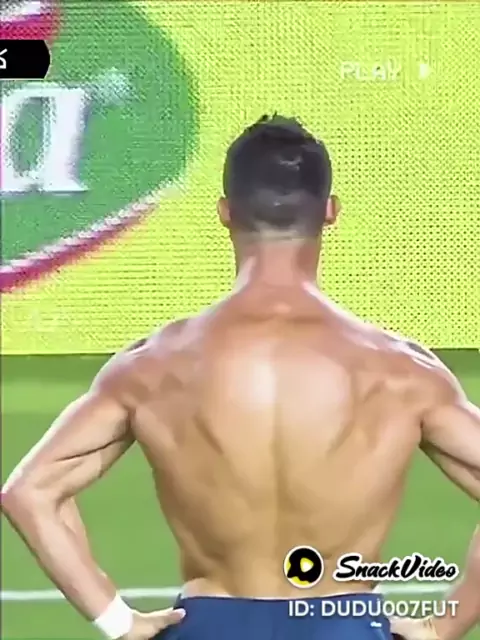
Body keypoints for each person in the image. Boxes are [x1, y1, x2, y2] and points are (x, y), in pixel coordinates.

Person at [1, 115, 480, 640]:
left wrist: (119, 622)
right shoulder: (401, 371)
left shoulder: (154, 366)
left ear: (225, 213)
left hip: (211, 625)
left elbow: (30, 492)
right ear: (330, 211)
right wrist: (444, 626)